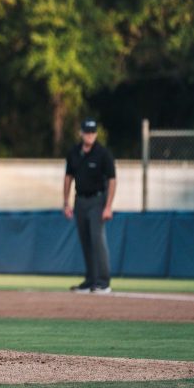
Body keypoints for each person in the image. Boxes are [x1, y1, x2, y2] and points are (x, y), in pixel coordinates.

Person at [63, 118, 117, 294]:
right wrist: (66, 202)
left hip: (97, 200)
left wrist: (108, 206)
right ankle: (90, 280)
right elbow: (68, 177)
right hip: (80, 201)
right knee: (85, 240)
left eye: (93, 132)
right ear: (81, 133)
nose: (90, 135)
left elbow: (112, 180)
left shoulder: (103, 153)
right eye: (87, 132)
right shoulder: (74, 153)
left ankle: (103, 281)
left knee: (97, 239)